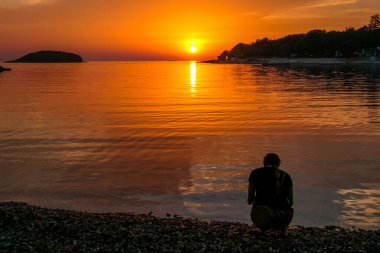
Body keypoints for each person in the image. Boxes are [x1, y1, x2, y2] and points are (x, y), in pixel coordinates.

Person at [248, 153, 293, 236]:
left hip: (260, 217)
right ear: (278, 163)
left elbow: (249, 200)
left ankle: (263, 229)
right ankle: (283, 230)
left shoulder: (255, 173)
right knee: (288, 209)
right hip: (281, 219)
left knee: (259, 207)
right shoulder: (286, 176)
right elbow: (291, 202)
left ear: (264, 163)